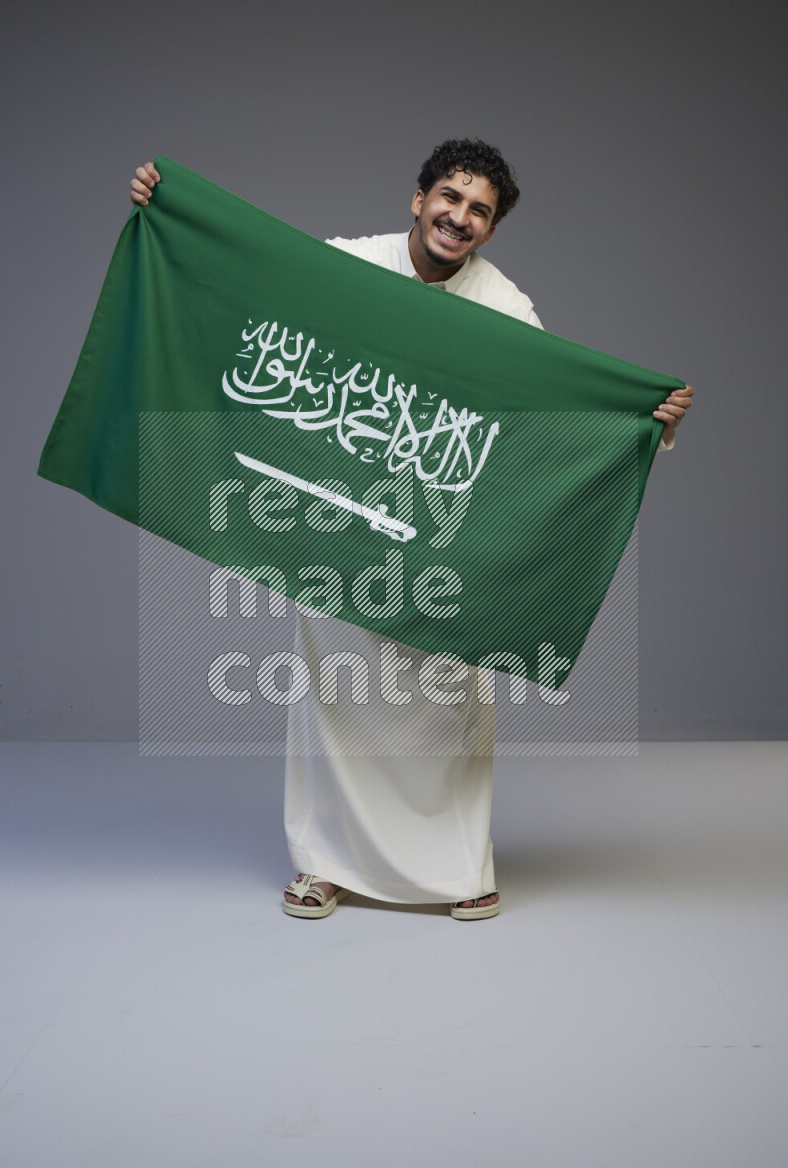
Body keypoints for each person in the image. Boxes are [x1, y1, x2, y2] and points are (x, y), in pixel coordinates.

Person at [130, 141, 694, 921]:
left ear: (490, 231)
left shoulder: (505, 308)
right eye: (450, 198)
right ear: (418, 198)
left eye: (478, 211)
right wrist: (173, 212)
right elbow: (255, 281)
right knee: (334, 687)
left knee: (446, 696)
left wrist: (643, 423)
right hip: (336, 522)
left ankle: (459, 867)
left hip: (439, 533)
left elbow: (554, 416)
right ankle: (322, 864)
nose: (459, 218)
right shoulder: (350, 263)